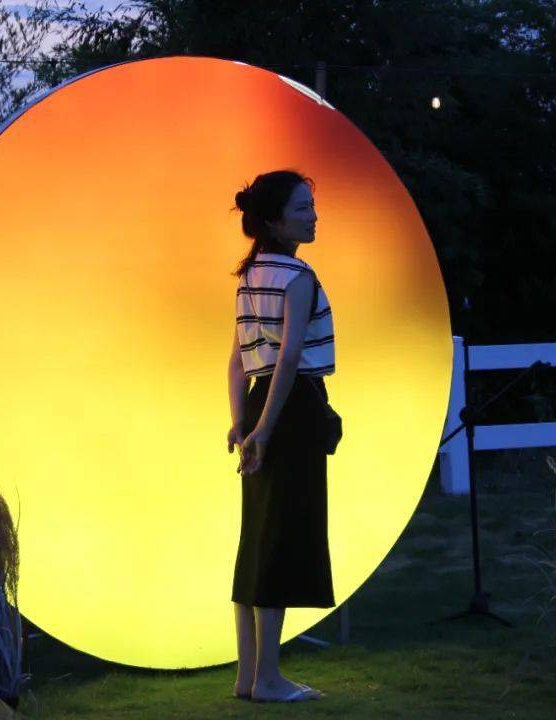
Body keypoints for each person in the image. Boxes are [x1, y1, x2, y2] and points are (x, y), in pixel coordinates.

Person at [225, 169, 336, 703]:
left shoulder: (250, 276)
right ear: (274, 221)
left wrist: (242, 422)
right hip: (289, 410)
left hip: (259, 403)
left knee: (257, 537)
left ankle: (249, 676)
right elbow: (289, 357)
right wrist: (265, 431)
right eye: (302, 208)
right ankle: (268, 678)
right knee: (280, 539)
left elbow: (236, 360)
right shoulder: (297, 276)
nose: (313, 217)